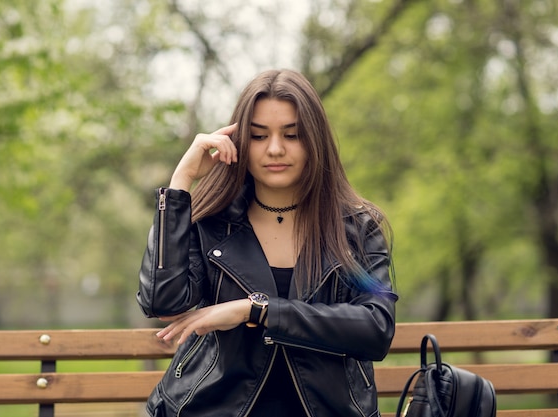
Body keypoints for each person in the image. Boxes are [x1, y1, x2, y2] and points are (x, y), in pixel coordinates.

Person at [137, 69, 397, 417]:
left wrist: (258, 310)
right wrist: (180, 185)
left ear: (314, 141)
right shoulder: (211, 224)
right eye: (259, 136)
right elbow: (162, 302)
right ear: (241, 142)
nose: (275, 149)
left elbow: (375, 327)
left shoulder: (354, 230)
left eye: (292, 135)